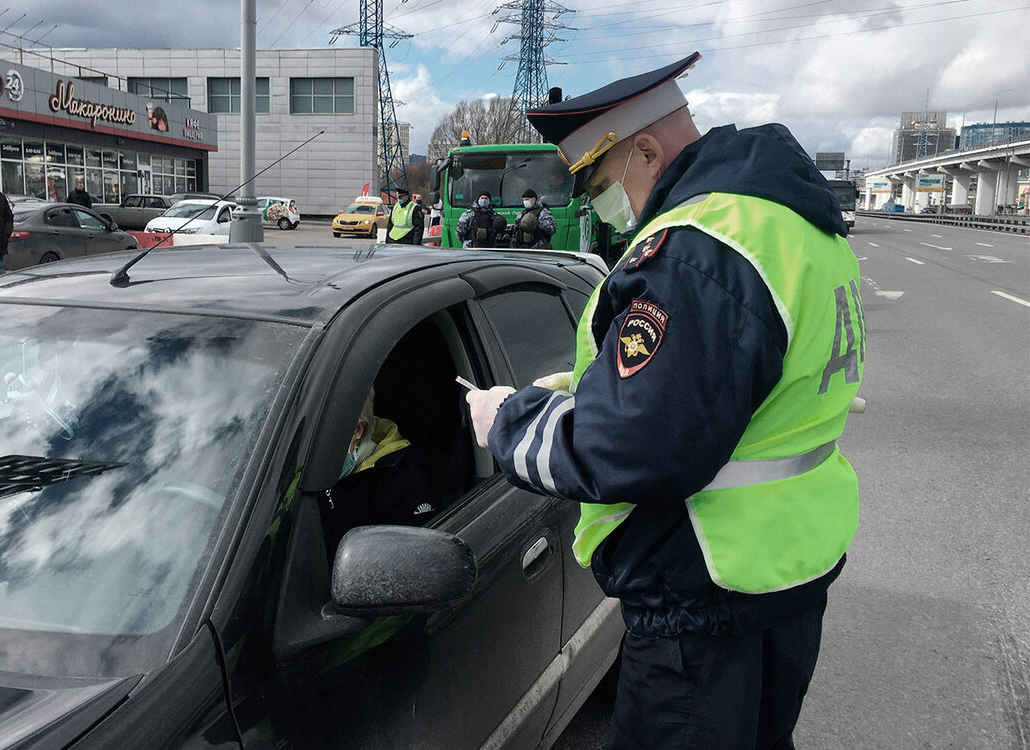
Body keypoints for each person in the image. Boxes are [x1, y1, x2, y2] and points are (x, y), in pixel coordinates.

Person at [464, 51, 865, 749]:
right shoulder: (793, 224)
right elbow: (734, 385)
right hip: (783, 575)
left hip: (704, 600)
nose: (597, 205)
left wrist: (507, 422)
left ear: (645, 151)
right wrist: (585, 389)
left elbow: (636, 446)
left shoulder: (698, 248)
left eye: (595, 185)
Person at [320, 387, 439, 551]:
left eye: (326, 434)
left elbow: (417, 558)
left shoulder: (406, 480)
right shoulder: (296, 473)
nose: (317, 448)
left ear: (357, 430)